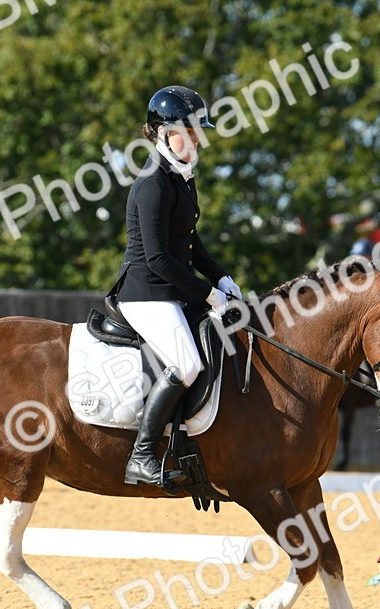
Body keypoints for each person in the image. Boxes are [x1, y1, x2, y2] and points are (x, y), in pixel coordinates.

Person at [109, 85, 243, 486]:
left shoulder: (182, 178)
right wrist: (209, 294)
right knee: (186, 364)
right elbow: (158, 259)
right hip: (145, 293)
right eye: (189, 129)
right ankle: (143, 454)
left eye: (199, 129)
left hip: (171, 289)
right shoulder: (152, 183)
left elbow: (190, 240)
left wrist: (220, 275)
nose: (198, 137)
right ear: (163, 132)